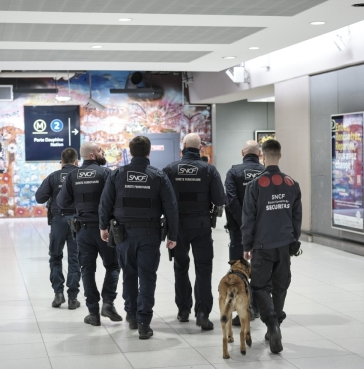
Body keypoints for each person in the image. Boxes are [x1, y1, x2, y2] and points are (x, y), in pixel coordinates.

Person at [99, 136, 178, 340]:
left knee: (129, 274)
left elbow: (105, 203)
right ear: (149, 152)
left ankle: (132, 315)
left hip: (123, 234)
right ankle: (144, 322)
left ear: (131, 152)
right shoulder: (158, 176)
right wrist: (173, 235)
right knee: (147, 276)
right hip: (150, 234)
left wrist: (102, 227)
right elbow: (171, 207)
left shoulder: (117, 174)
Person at [241, 139, 302, 354]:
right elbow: (296, 217)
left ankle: (272, 324)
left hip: (262, 244)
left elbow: (248, 218)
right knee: (281, 285)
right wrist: (294, 241)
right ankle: (275, 324)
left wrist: (246, 245)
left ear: (262, 157)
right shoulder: (292, 184)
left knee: (260, 286)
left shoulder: (255, 185)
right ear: (280, 156)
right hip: (284, 244)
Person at [163, 133, 226, 330]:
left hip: (177, 226)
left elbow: (162, 199)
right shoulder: (209, 170)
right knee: (203, 269)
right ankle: (202, 313)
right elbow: (221, 200)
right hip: (201, 225)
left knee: (180, 267)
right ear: (200, 149)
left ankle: (183, 310)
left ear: (183, 148)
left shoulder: (170, 169)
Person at [57, 142, 122, 327]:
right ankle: (108, 302)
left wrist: (79, 207)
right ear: (93, 155)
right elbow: (115, 199)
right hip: (105, 230)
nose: (103, 153)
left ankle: (93, 313)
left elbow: (62, 202)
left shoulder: (72, 176)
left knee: (87, 270)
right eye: (101, 150)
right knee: (113, 266)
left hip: (83, 229)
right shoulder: (106, 173)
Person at [225, 140, 265, 326]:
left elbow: (231, 200)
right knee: (260, 270)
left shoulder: (234, 172)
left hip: (238, 231)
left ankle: (242, 310)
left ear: (243, 152)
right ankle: (257, 308)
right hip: (263, 231)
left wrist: (244, 224)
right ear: (259, 154)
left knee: (239, 269)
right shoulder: (266, 172)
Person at [35, 148, 80, 309]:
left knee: (55, 257)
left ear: (61, 162)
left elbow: (40, 197)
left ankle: (58, 294)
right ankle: (73, 298)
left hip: (58, 221)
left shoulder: (53, 177)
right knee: (75, 259)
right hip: (78, 221)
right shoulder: (81, 175)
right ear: (76, 161)